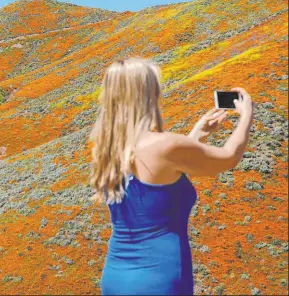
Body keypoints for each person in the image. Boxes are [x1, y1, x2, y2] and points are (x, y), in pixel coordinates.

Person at [88, 57, 254, 296]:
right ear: (148, 94)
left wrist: (195, 134)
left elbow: (160, 174)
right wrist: (246, 115)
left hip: (116, 277)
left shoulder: (111, 149)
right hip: (159, 280)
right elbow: (229, 156)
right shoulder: (166, 146)